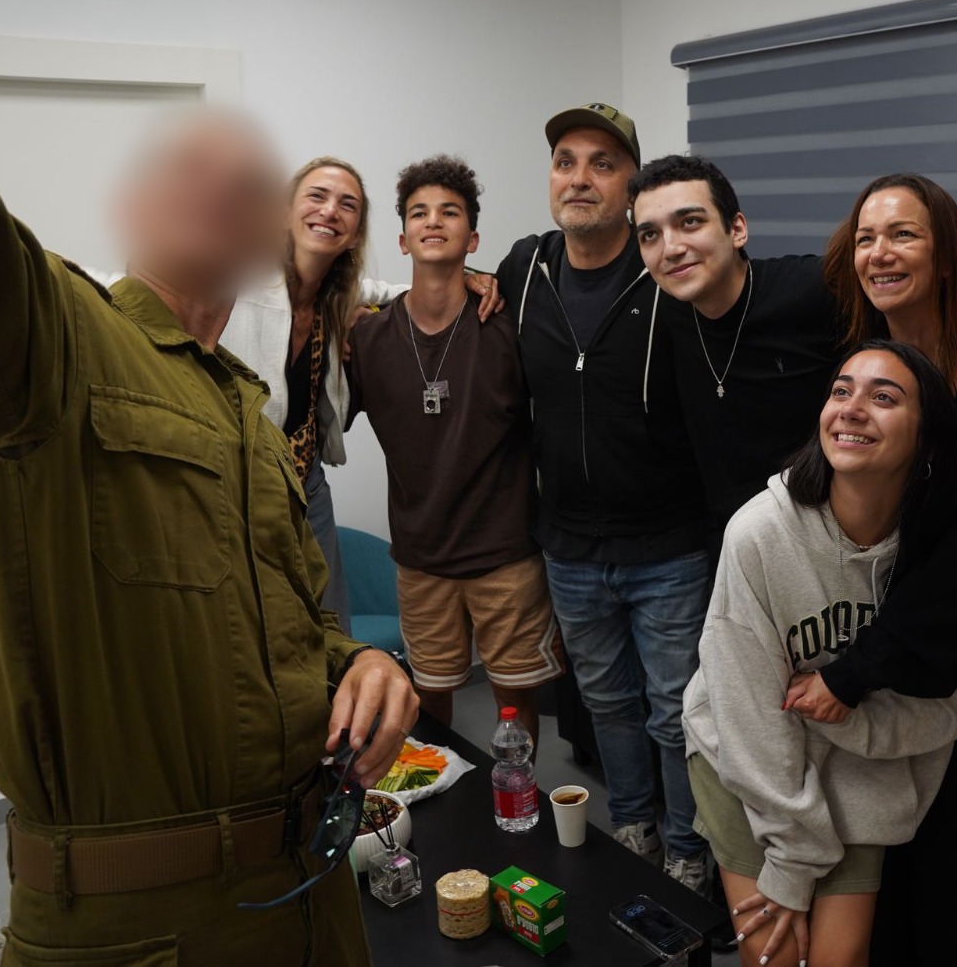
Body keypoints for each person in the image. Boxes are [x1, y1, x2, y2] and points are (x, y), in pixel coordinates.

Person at [0, 12, 417, 963]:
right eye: (186, 167)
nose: (224, 189)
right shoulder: (52, 341)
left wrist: (364, 666)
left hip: (313, 899)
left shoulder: (248, 418)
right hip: (144, 932)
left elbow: (291, 628)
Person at [787, 173, 957, 965]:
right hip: (883, 661)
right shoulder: (862, 365)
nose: (880, 252)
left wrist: (856, 670)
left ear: (945, 257)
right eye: (867, 237)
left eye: (902, 234)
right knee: (887, 870)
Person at [682, 341, 957, 967]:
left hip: (862, 769)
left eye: (884, 397)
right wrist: (790, 861)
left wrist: (856, 723)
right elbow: (748, 712)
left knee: (839, 958)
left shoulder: (946, 551)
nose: (852, 408)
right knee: (773, 957)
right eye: (841, 391)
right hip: (750, 762)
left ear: (927, 437)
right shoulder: (759, 534)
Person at [495, 104, 712, 891]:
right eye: (565, 161)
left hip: (669, 545)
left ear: (631, 185)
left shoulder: (668, 272)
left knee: (676, 712)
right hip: (571, 547)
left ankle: (688, 851)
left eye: (602, 163)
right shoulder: (525, 270)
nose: (579, 178)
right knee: (608, 705)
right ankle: (635, 829)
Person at [628, 153, 957, 550]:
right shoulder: (656, 312)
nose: (672, 247)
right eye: (650, 235)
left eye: (690, 222)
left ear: (736, 229)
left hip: (843, 538)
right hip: (735, 543)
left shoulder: (810, 289)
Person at [220, 156, 495, 634]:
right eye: (317, 196)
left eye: (347, 205)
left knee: (331, 633)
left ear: (355, 233)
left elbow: (414, 291)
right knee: (238, 629)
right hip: (235, 483)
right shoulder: (235, 278)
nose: (330, 211)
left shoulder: (341, 296)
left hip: (306, 485)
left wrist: (473, 276)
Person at [347, 155, 563, 747]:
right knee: (429, 705)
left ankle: (517, 797)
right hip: (421, 558)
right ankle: (445, 798)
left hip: (505, 554)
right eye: (419, 213)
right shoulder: (369, 335)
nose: (434, 221)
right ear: (402, 240)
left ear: (472, 239)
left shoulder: (505, 323)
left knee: (514, 707)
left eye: (450, 212)